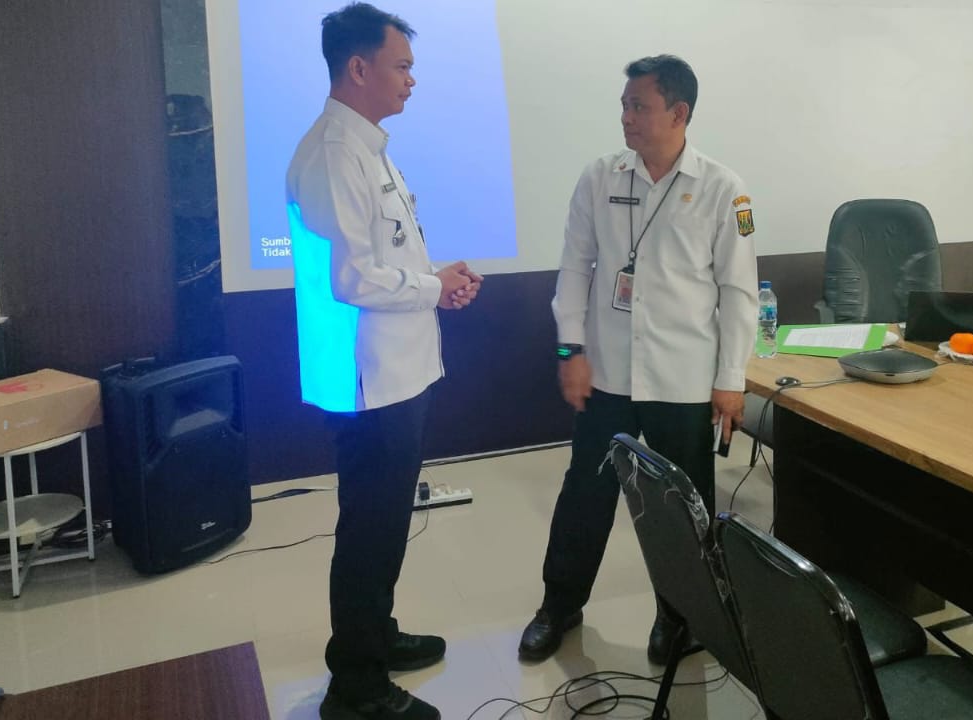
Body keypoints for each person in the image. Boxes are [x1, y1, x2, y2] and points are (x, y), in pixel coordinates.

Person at [519, 55, 758, 665]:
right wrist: (570, 349)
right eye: (624, 105)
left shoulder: (723, 189)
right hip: (608, 373)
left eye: (638, 106)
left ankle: (681, 617)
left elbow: (738, 293)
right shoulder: (599, 177)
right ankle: (559, 604)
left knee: (684, 507)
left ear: (678, 113)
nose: (625, 117)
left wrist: (731, 381)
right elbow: (574, 269)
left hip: (684, 378)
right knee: (586, 493)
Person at [285, 4, 482, 719]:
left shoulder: (368, 148)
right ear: (358, 68)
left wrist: (438, 278)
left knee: (385, 524)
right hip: (370, 384)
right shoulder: (335, 152)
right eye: (401, 66)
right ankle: (357, 688)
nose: (411, 80)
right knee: (370, 531)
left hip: (400, 373)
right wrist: (433, 286)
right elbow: (351, 279)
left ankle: (374, 636)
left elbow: (387, 254)